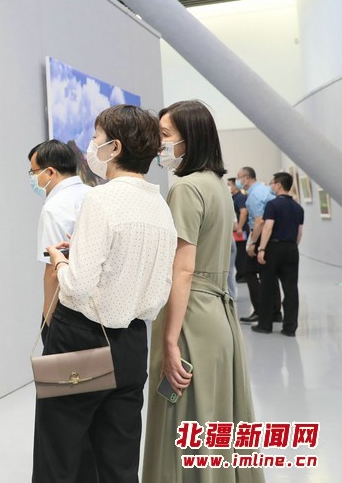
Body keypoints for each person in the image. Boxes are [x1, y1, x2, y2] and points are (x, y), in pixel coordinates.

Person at [34, 105, 177, 482]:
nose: (91, 145)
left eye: (96, 137)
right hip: (132, 341)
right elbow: (157, 291)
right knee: (118, 459)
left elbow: (78, 285)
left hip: (80, 338)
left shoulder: (100, 199)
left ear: (114, 148)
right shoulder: (160, 206)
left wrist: (60, 261)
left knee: (59, 453)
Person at [143, 101, 263, 483]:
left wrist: (170, 341)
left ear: (189, 138)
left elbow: (183, 269)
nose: (159, 144)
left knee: (182, 427)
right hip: (218, 317)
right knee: (214, 422)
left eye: (165, 135)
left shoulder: (186, 188)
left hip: (190, 316)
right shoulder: (217, 186)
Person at [29, 140, 90, 324]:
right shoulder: (94, 194)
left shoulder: (54, 208)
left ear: (50, 172)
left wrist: (47, 319)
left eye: (33, 172)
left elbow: (53, 272)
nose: (33, 178)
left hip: (70, 312)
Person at [251, 172, 304, 336]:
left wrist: (261, 249)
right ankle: (290, 328)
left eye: (272, 183)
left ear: (279, 185)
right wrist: (292, 247)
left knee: (267, 287)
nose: (271, 186)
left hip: (273, 249)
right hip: (291, 249)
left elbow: (268, 227)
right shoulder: (298, 208)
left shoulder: (272, 205)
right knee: (291, 289)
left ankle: (265, 325)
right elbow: (299, 232)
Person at [239, 166, 280, 324]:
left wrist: (253, 243)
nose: (238, 180)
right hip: (271, 236)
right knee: (270, 274)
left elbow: (259, 221)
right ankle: (276, 312)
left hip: (260, 235)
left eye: (239, 177)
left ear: (247, 178)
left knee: (250, 272)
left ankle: (259, 310)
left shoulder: (254, 194)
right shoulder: (266, 190)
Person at [228, 177, 248, 284]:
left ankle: (242, 274)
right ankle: (240, 274)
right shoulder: (233, 197)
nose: (228, 187)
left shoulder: (240, 197)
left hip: (241, 230)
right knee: (238, 254)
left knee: (241, 253)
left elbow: (243, 212)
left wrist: (239, 227)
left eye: (230, 184)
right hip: (236, 230)